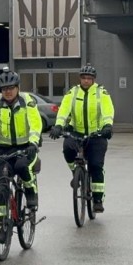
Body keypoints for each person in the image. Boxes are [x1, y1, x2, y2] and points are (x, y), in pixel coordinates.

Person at [0, 68, 42, 242]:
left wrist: (34, 142)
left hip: (26, 147)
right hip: (4, 150)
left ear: (18, 88)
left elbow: (35, 123)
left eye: (11, 88)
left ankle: (31, 192)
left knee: (21, 167)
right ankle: (4, 225)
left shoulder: (28, 102)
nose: (8, 92)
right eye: (4, 89)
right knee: (2, 182)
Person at [49, 63, 114, 213]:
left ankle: (97, 199)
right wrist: (59, 125)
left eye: (89, 78)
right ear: (80, 78)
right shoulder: (73, 92)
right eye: (83, 78)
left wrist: (107, 126)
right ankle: (76, 174)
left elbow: (107, 110)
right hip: (76, 132)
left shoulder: (100, 92)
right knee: (67, 150)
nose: (86, 81)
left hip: (96, 134)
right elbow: (64, 110)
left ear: (93, 79)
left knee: (96, 165)